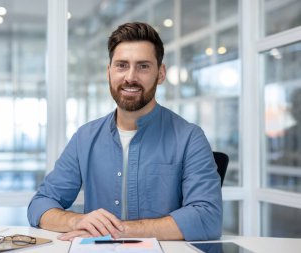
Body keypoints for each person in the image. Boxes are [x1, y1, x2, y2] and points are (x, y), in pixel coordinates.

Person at [27, 22, 222, 241]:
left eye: (143, 66)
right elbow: (40, 205)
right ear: (109, 72)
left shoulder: (189, 138)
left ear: (161, 73)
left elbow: (207, 218)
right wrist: (77, 221)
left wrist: (117, 231)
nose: (130, 77)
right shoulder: (85, 138)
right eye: (121, 65)